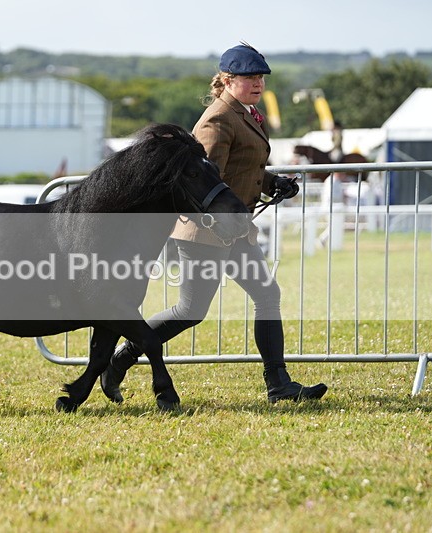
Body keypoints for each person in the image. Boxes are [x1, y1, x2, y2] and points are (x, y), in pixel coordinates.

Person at [101, 43, 328, 404]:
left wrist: (273, 183)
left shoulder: (247, 114)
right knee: (191, 311)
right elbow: (203, 177)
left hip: (234, 228)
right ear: (226, 80)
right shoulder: (218, 119)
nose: (257, 83)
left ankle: (278, 383)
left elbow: (245, 168)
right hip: (206, 231)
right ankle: (121, 359)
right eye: (249, 77)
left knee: (267, 295)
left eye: (260, 77)